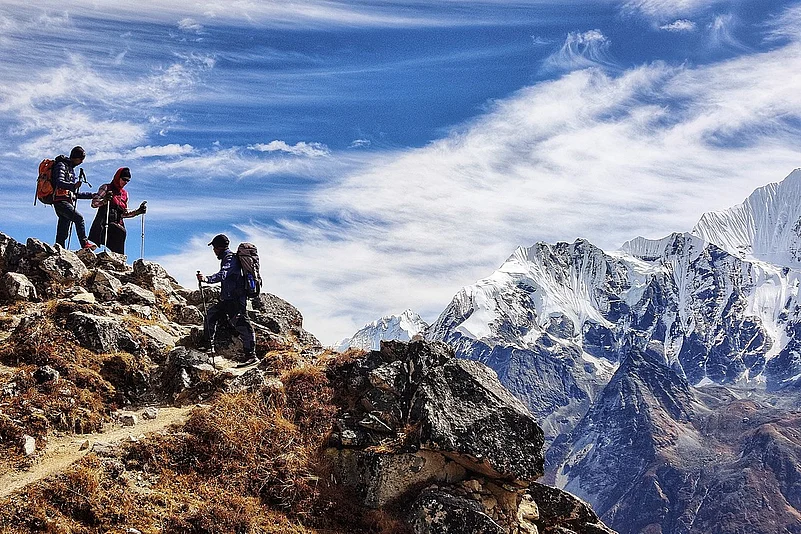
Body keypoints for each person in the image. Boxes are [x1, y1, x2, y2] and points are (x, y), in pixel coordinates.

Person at [196, 234, 257, 366]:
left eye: (214, 248)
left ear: (218, 247)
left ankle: (251, 356)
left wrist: (207, 279)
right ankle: (208, 346)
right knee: (210, 315)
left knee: (243, 325)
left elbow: (223, 274)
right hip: (227, 300)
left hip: (235, 300)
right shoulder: (228, 258)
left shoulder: (229, 258)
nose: (213, 251)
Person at [88, 167, 147, 254]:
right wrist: (104, 201)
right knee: (120, 232)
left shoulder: (125, 194)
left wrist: (138, 211)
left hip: (117, 223)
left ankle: (118, 259)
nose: (125, 182)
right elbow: (94, 203)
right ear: (118, 177)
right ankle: (119, 258)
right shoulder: (106, 188)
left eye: (128, 181)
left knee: (120, 233)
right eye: (124, 179)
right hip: (104, 223)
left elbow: (124, 214)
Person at [52, 146, 96, 250]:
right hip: (60, 200)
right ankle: (85, 244)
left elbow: (74, 193)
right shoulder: (61, 165)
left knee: (63, 229)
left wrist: (91, 195)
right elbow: (59, 182)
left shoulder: (70, 169)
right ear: (75, 157)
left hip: (64, 200)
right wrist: (73, 186)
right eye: (81, 159)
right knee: (78, 218)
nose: (81, 162)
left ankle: (59, 249)